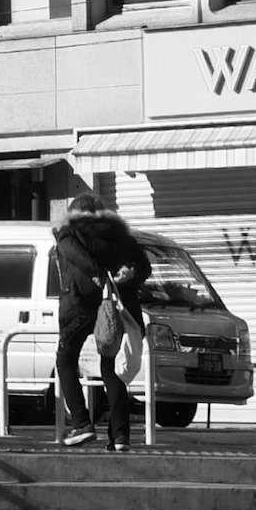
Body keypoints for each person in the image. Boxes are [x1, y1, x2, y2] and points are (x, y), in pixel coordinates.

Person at [46, 187, 151, 450]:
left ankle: (82, 424)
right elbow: (144, 267)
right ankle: (120, 437)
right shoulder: (121, 237)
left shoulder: (70, 232)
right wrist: (128, 274)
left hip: (79, 304)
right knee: (110, 368)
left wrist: (98, 274)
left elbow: (72, 253)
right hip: (113, 309)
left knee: (66, 359)